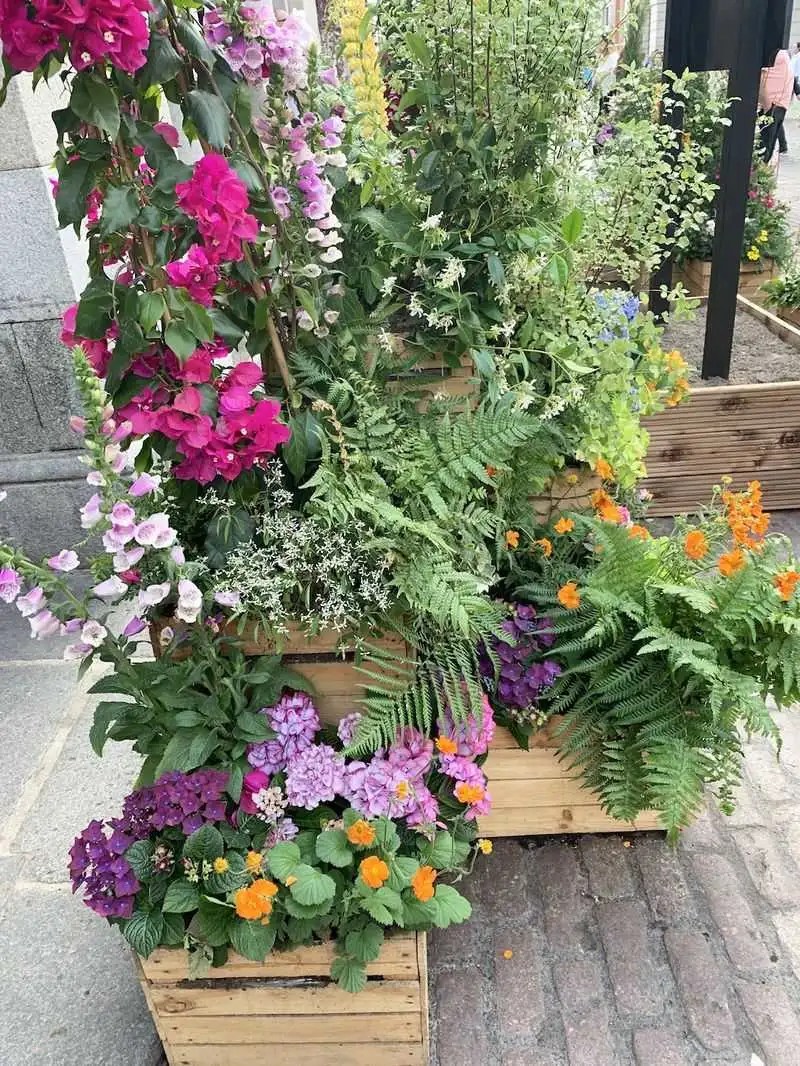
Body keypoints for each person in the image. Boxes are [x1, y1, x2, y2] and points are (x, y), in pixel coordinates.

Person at [759, 48, 794, 162]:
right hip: (774, 104)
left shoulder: (780, 53)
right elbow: (762, 75)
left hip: (776, 104)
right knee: (766, 145)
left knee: (768, 144)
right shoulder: (776, 52)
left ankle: (759, 171)